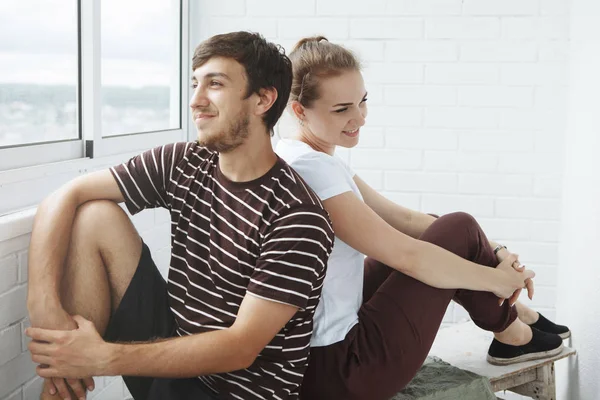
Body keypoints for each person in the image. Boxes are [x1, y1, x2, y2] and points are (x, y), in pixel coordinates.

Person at [25, 31, 335, 400]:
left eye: (215, 84)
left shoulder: (298, 215)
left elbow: (240, 347)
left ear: (263, 99)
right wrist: (44, 305)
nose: (195, 101)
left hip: (233, 390)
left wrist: (103, 357)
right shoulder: (185, 162)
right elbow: (67, 194)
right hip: (175, 351)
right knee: (95, 216)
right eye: (194, 83)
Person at [275, 36, 570, 400]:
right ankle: (513, 331)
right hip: (343, 372)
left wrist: (496, 249)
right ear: (299, 110)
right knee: (456, 227)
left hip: (316, 358)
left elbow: (405, 220)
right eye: (342, 109)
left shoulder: (295, 153)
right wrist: (495, 277)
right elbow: (408, 257)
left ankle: (515, 319)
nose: (359, 117)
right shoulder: (316, 172)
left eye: (363, 101)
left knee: (445, 229)